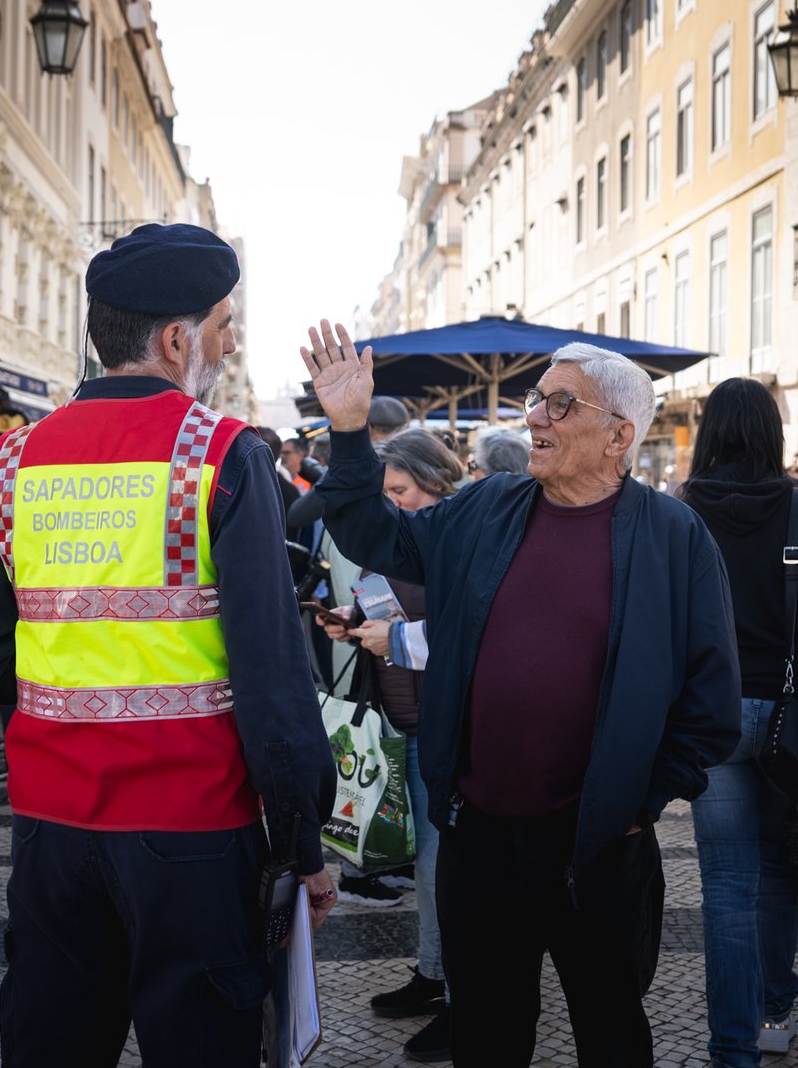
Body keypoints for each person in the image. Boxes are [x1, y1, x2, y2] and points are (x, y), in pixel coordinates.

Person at [0, 224, 337, 1068]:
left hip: (50, 830)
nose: (230, 345)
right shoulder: (220, 456)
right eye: (225, 325)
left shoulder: (8, 466)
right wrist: (302, 843)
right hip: (193, 831)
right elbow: (273, 675)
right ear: (175, 339)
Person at [301, 319, 741, 1068]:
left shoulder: (673, 536)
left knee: (611, 1033)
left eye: (561, 404)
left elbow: (710, 699)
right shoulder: (487, 507)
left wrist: (641, 805)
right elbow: (382, 539)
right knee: (488, 1036)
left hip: (598, 849)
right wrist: (348, 435)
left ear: (619, 436)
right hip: (477, 837)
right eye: (537, 398)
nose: (534, 416)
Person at [319, 426, 463, 1062]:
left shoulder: (462, 538)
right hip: (397, 724)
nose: (393, 503)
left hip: (445, 727)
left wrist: (395, 641)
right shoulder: (393, 541)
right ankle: (433, 975)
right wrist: (351, 624)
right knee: (429, 870)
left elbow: (470, 633)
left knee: (444, 871)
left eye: (400, 490)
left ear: (434, 483)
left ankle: (465, 998)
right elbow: (387, 609)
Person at [677, 378, 798, 1068]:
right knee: (779, 872)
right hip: (789, 715)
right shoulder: (796, 509)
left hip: (711, 716)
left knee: (726, 883)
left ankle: (732, 1048)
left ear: (709, 433)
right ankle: (775, 1013)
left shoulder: (681, 514)